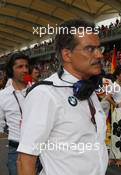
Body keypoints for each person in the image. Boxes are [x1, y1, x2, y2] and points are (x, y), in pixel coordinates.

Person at [16, 19, 108, 175]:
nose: (99, 55)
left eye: (99, 48)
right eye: (90, 49)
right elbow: (25, 159)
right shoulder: (45, 94)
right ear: (67, 54)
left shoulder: (87, 89)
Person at [0, 52, 30, 175]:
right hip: (16, 149)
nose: (25, 70)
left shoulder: (38, 90)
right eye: (20, 67)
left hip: (42, 147)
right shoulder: (2, 96)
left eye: (27, 66)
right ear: (10, 71)